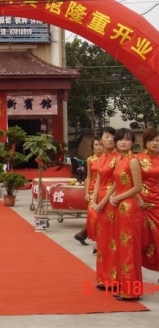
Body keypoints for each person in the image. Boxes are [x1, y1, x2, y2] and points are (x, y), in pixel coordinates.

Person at [109, 128, 143, 300]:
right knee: (122, 248)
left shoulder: (133, 161)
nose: (123, 142)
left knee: (129, 248)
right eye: (120, 139)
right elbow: (118, 183)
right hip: (120, 207)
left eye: (127, 139)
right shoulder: (119, 159)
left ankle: (131, 291)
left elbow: (137, 187)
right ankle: (126, 287)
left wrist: (117, 198)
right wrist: (112, 197)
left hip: (129, 208)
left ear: (132, 143)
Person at [91, 126, 119, 291]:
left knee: (113, 240)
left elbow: (117, 183)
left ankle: (114, 279)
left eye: (112, 136)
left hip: (113, 201)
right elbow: (98, 181)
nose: (109, 139)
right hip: (100, 201)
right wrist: (94, 201)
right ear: (100, 140)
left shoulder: (119, 158)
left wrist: (103, 202)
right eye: (106, 136)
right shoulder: (100, 159)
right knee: (102, 241)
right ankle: (103, 277)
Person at [136, 127, 159, 276]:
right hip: (142, 203)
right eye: (152, 140)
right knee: (142, 238)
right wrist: (138, 199)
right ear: (145, 142)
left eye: (158, 140)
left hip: (157, 202)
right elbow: (131, 182)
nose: (155, 143)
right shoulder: (137, 159)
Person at [74, 137, 103, 246]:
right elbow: (88, 177)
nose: (99, 147)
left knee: (100, 215)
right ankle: (92, 239)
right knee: (94, 215)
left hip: (104, 189)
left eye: (100, 144)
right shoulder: (90, 160)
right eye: (96, 145)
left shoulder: (107, 159)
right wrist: (86, 192)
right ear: (93, 147)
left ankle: (83, 235)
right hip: (92, 190)